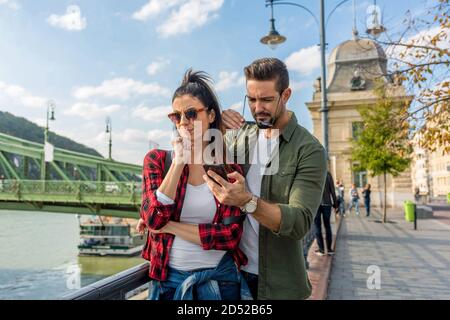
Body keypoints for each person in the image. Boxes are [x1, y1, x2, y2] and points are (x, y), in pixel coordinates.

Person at [206, 58, 327, 299]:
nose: (258, 107)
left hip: (279, 286)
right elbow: (200, 165)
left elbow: (300, 222)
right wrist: (216, 124)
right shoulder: (240, 136)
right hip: (231, 276)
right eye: (251, 99)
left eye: (267, 99)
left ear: (286, 95)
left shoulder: (309, 149)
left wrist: (246, 201)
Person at [137, 69, 251, 300]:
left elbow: (229, 236)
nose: (183, 122)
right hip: (167, 282)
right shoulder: (157, 160)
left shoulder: (228, 170)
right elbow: (153, 218)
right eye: (176, 116)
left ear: (210, 115)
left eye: (191, 113)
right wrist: (179, 162)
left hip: (220, 280)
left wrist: (170, 227)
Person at [314, 171, 338, 256]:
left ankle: (321, 250)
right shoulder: (327, 174)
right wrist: (335, 204)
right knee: (327, 226)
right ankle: (329, 249)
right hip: (327, 204)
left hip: (316, 204)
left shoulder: (313, 173)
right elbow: (332, 189)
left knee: (317, 226)